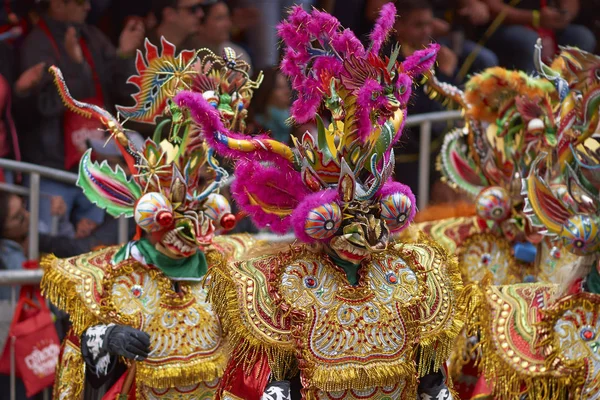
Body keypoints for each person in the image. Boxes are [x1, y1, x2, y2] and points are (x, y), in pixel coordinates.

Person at [177, 4, 465, 398]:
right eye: (342, 217)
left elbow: (431, 378)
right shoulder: (281, 285)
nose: (364, 232)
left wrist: (436, 389)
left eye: (377, 214)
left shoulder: (415, 276)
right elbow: (268, 378)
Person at [41, 35, 261, 398]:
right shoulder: (116, 273)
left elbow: (259, 352)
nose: (188, 227)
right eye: (172, 214)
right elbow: (79, 353)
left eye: (200, 210)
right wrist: (107, 337)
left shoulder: (231, 266)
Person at [16, 0, 144, 237]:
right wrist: (74, 67)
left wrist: (124, 54)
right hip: (52, 168)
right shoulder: (36, 44)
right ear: (56, 4)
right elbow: (43, 106)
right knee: (51, 244)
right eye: (79, 2)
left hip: (96, 163)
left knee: (101, 244)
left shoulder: (92, 36)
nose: (87, 7)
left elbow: (123, 94)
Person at [483, 0, 596, 72]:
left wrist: (564, 15)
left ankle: (569, 99)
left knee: (582, 36)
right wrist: (534, 18)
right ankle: (532, 101)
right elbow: (492, 7)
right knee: (530, 41)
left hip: (546, 24)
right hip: (507, 25)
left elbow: (571, 4)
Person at [189, 0, 252, 69]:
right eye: (220, 18)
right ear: (200, 23)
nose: (228, 24)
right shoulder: (186, 57)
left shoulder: (237, 55)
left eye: (227, 17)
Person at [247, 67, 291, 143]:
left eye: (286, 86)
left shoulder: (298, 127)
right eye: (280, 87)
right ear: (265, 92)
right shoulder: (253, 131)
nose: (287, 91)